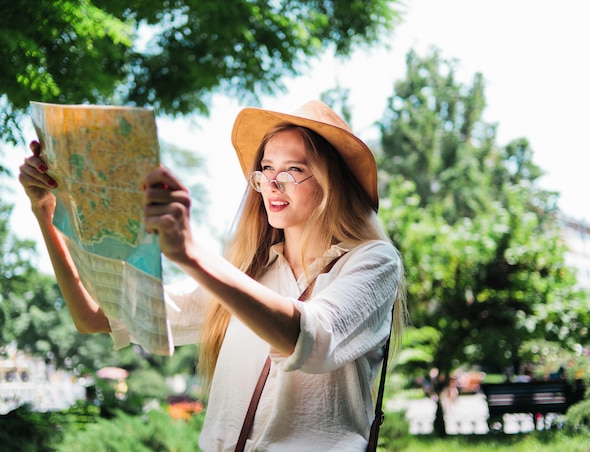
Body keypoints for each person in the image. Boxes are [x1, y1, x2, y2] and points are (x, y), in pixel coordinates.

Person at [19, 100, 406, 451]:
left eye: (293, 170)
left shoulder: (372, 260)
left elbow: (311, 337)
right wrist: (48, 213)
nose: (271, 184)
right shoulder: (246, 275)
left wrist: (191, 254)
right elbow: (92, 316)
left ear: (331, 182)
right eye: (266, 169)